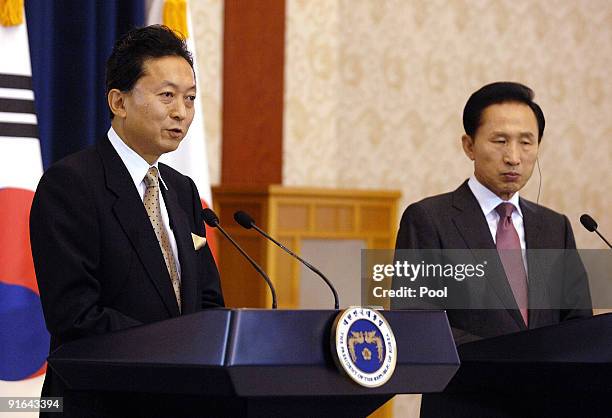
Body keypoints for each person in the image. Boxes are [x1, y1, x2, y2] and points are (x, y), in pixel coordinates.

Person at [30, 25, 224, 416]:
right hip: (101, 401)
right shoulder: (71, 184)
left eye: (189, 98)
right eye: (167, 95)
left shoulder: (181, 189)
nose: (181, 112)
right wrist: (175, 345)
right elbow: (75, 315)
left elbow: (207, 301)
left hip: (179, 403)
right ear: (118, 102)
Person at [392, 82, 592, 343]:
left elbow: (579, 324)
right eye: (500, 141)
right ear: (469, 146)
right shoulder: (428, 220)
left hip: (546, 384)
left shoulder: (556, 227)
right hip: (469, 381)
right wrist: (508, 358)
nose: (513, 157)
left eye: (526, 142)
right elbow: (415, 321)